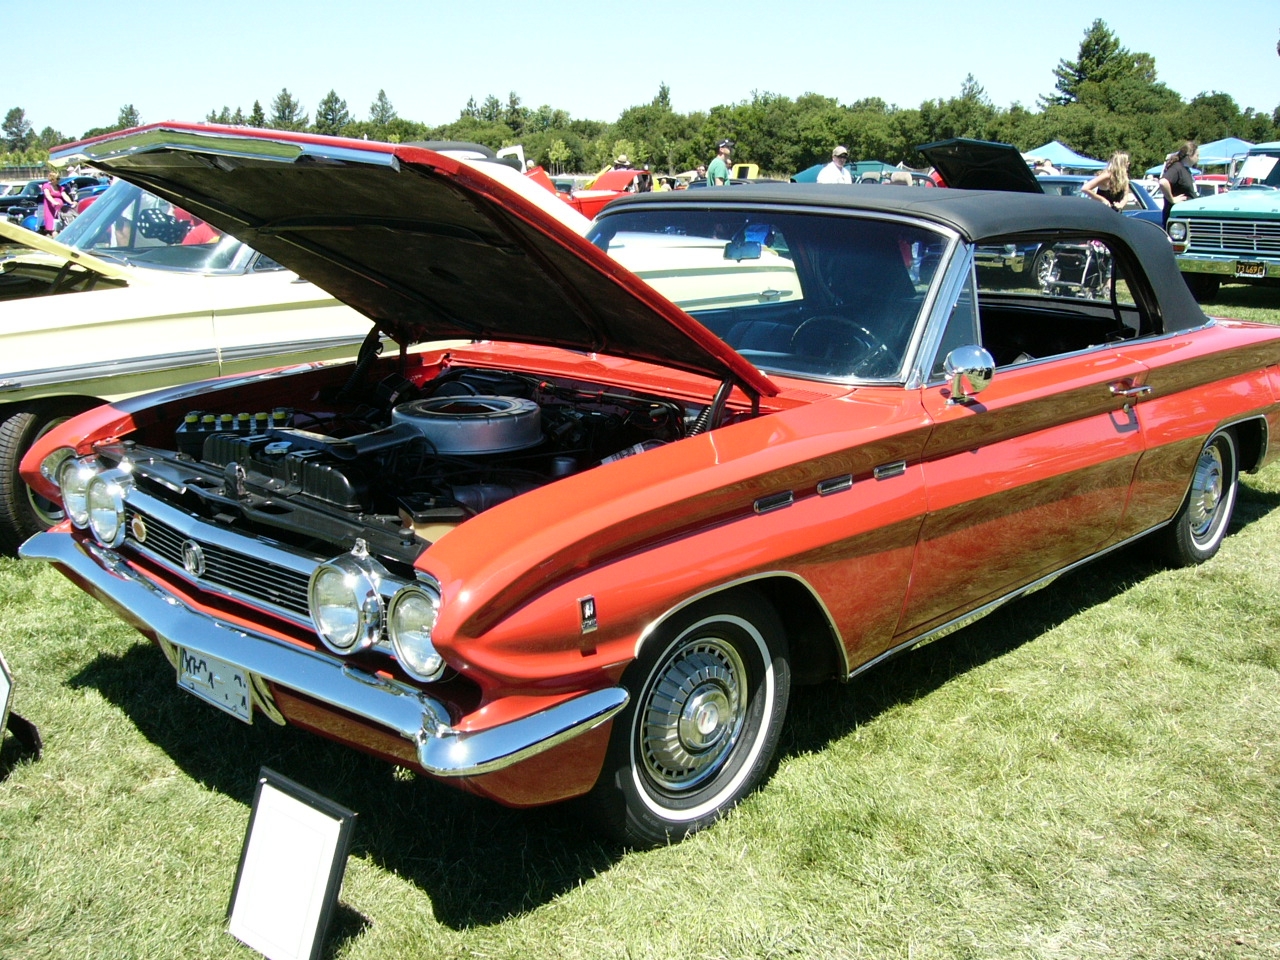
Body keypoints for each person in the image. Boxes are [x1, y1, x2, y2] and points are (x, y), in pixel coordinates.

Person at [1159, 142, 1198, 226]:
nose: (1198, 158)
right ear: (1189, 155)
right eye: (1197, 155)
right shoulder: (1177, 168)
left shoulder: (1186, 169)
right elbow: (1163, 182)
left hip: (1185, 218)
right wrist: (1172, 199)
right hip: (1176, 221)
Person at [38, 171, 73, 235]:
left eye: (59, 178)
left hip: (59, 211)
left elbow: (64, 195)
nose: (59, 180)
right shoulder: (46, 186)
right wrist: (54, 202)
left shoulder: (60, 187)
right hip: (50, 210)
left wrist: (71, 202)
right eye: (57, 178)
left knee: (60, 227)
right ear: (52, 179)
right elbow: (48, 196)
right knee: (54, 229)